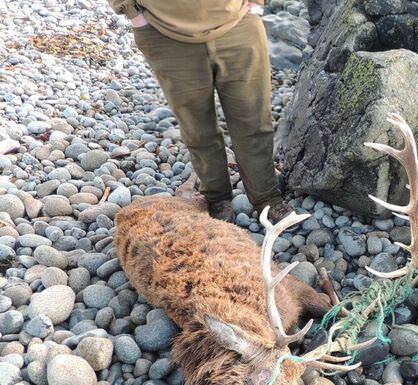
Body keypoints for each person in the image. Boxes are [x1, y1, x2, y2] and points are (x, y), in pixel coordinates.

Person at [107, 0, 289, 221]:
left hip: (239, 24)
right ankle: (217, 198)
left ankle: (267, 199)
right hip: (164, 34)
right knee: (197, 127)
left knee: (253, 120)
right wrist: (133, 12)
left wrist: (256, 5)